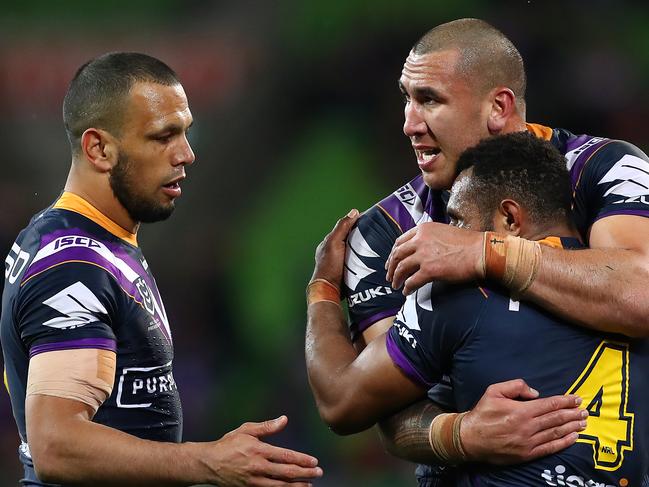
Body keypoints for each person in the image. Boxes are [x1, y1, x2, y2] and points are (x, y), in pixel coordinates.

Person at [306, 17, 649, 486]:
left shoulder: (603, 167)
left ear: (498, 106)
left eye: (429, 100)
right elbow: (378, 405)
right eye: (406, 99)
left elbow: (641, 296)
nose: (408, 123)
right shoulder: (384, 234)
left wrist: (486, 252)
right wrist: (458, 434)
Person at [1, 52, 322, 486]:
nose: (186, 154)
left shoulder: (93, 239)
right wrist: (207, 461)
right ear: (99, 148)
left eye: (186, 132)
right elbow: (55, 444)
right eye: (162, 136)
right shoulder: (74, 266)